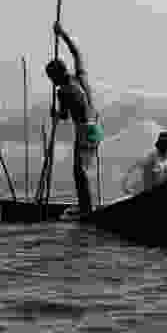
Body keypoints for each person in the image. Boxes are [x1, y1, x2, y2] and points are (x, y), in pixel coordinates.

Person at [46, 22, 104, 219]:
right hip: (96, 127)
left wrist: (54, 113)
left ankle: (86, 210)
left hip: (85, 130)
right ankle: (86, 206)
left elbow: (63, 116)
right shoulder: (80, 78)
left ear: (55, 77)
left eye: (51, 78)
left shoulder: (62, 91)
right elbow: (77, 53)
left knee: (79, 171)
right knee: (83, 169)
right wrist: (62, 34)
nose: (51, 82)